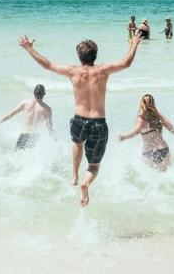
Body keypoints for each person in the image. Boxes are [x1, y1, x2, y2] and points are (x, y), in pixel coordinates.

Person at [18, 34, 142, 206]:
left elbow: (47, 65)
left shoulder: (73, 71)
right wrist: (134, 44)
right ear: (95, 55)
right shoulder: (103, 70)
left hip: (79, 120)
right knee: (94, 165)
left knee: (77, 144)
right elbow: (126, 63)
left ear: (79, 56)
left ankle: (75, 175)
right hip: (98, 122)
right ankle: (86, 182)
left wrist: (29, 48)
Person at [118, 94, 174, 171]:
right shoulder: (158, 115)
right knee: (168, 175)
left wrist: (124, 136)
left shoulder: (141, 117)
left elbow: (137, 131)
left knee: (152, 178)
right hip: (162, 149)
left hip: (148, 152)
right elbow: (172, 130)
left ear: (141, 103)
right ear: (153, 103)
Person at [0, 84, 54, 150]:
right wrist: (55, 141)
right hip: (34, 138)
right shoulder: (47, 109)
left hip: (23, 136)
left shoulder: (25, 103)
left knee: (17, 157)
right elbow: (49, 128)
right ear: (44, 94)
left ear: (34, 93)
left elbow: (10, 115)